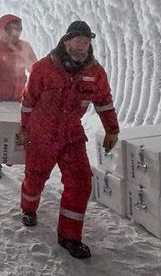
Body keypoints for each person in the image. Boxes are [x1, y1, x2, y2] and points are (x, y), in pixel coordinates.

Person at [18, 20, 119, 259]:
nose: (81, 47)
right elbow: (28, 100)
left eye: (86, 42)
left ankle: (69, 237)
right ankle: (28, 208)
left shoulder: (95, 73)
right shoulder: (44, 68)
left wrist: (111, 129)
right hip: (41, 133)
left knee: (81, 182)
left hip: (71, 135)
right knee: (35, 177)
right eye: (77, 41)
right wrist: (24, 128)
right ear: (66, 41)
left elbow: (104, 101)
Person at [0, 14, 37, 179]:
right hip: (0, 98)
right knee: (1, 131)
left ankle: (14, 157)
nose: (15, 33)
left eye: (17, 29)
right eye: (11, 29)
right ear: (3, 30)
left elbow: (34, 69)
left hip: (20, 96)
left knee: (21, 128)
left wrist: (35, 91)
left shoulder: (24, 47)